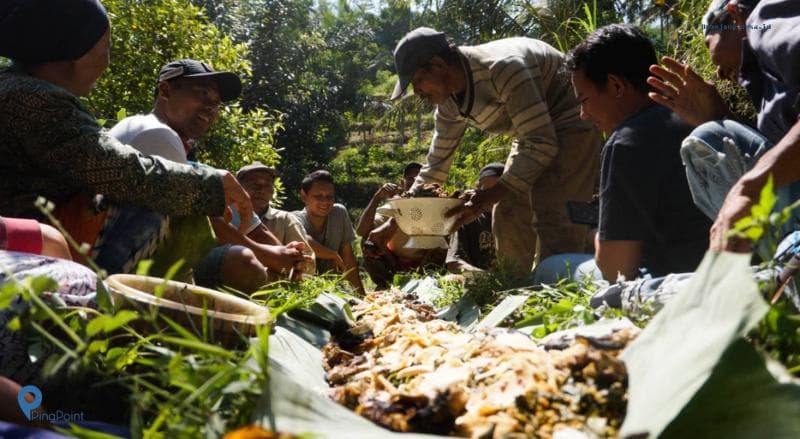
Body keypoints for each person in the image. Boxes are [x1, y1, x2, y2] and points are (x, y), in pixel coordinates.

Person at [0, 1, 254, 275]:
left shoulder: (21, 88)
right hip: (23, 249)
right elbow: (119, 171)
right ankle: (99, 300)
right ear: (73, 49)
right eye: (105, 48)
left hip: (33, 236)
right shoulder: (35, 99)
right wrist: (211, 185)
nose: (107, 61)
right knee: (155, 198)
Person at [390, 27, 602, 276]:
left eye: (417, 81)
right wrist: (405, 210)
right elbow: (436, 165)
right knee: (508, 207)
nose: (417, 92)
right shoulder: (448, 104)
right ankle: (512, 288)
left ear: (438, 65)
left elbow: (542, 142)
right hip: (530, 133)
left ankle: (554, 297)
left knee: (555, 214)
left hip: (571, 120)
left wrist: (485, 198)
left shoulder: (503, 68)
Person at [534, 24, 711, 283]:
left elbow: (616, 269)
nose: (583, 115)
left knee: (549, 268)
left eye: (583, 100)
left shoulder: (627, 142)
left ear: (616, 86)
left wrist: (598, 233)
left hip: (673, 283)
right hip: (731, 270)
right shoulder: (698, 116)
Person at [107, 59, 306, 289]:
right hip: (118, 273)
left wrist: (276, 253)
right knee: (243, 263)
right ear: (165, 90)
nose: (211, 107)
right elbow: (199, 225)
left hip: (133, 259)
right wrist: (268, 255)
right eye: (201, 93)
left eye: (216, 102)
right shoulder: (159, 135)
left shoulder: (147, 129)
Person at [647, 0, 800, 254]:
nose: (717, 73)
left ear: (733, 17)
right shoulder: (764, 77)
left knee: (708, 139)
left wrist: (748, 189)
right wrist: (720, 116)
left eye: (709, 42)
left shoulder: (764, 20)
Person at [357, 162, 445, 289]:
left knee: (445, 241)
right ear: (402, 183)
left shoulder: (435, 208)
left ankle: (432, 284)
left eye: (419, 177)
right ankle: (385, 285)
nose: (415, 181)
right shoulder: (391, 206)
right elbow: (362, 231)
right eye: (410, 178)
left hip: (427, 263)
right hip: (394, 264)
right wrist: (377, 198)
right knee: (367, 242)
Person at [292, 170, 364, 294]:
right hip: (303, 291)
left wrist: (361, 295)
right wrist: (332, 255)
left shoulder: (339, 213)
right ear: (303, 196)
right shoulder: (293, 218)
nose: (325, 201)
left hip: (335, 289)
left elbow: (348, 257)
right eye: (318, 196)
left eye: (329, 197)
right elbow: (305, 240)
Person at [236, 161, 316, 272]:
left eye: (267, 184)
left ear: (273, 189)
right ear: (238, 187)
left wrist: (299, 265)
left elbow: (308, 263)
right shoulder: (227, 216)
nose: (261, 190)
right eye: (254, 184)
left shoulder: (285, 220)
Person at [446, 163, 502, 274]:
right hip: (479, 281)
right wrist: (488, 277)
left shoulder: (517, 219)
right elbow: (454, 263)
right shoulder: (468, 219)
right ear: (477, 189)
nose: (491, 197)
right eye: (486, 190)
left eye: (496, 192)